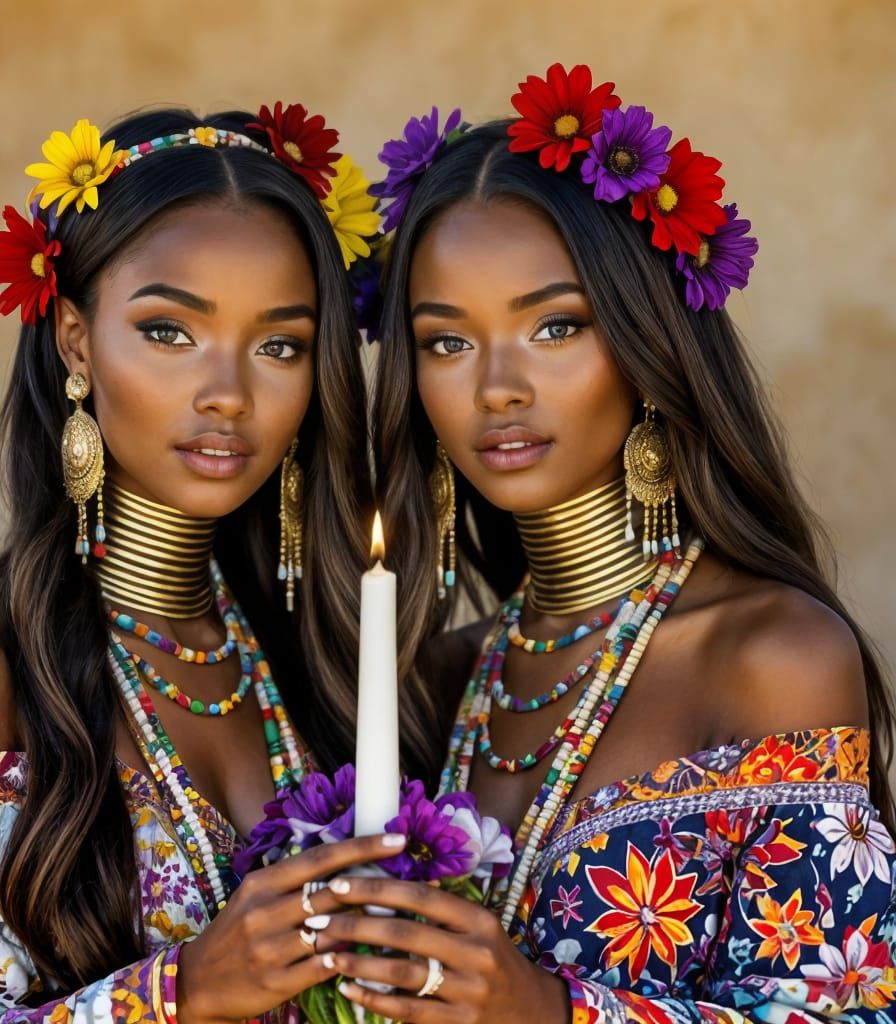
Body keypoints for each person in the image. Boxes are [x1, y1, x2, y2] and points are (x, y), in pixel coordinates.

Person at [309, 64, 896, 1023]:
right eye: (447, 341)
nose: (497, 385)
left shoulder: (769, 658)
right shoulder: (435, 685)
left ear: (647, 345)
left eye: (554, 326)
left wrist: (549, 1011)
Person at [0, 105, 399, 1022]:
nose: (228, 394)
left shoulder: (331, 669)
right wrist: (184, 992)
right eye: (169, 331)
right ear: (77, 339)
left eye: (280, 345)